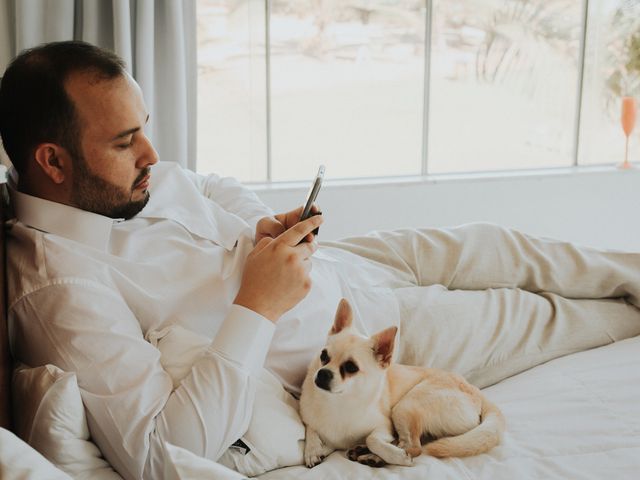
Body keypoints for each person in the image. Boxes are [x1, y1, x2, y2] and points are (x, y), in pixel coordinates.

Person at [2, 41, 639, 480]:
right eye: (124, 140)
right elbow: (164, 452)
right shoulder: (60, 287)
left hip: (350, 267)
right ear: (53, 162)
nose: (151, 150)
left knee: (497, 242)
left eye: (143, 125)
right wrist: (257, 303)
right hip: (365, 352)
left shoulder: (126, 180)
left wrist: (260, 226)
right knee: (547, 318)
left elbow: (202, 182)